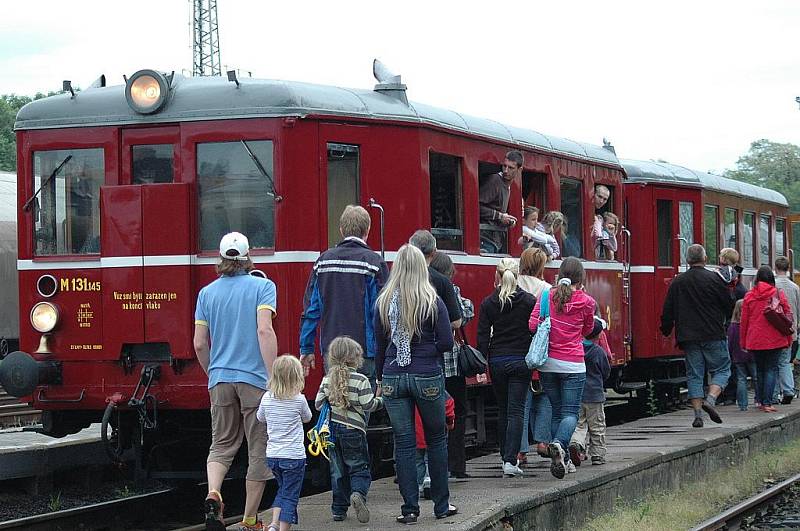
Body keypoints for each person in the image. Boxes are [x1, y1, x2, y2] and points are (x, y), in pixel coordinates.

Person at [194, 232, 278, 531]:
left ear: (221, 258)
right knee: (258, 449)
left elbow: (200, 344)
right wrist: (273, 377)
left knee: (221, 445)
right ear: (247, 257)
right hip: (254, 380)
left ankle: (213, 492)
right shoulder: (263, 287)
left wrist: (212, 373)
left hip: (220, 378)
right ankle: (250, 519)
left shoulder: (206, 294)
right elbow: (264, 331)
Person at [373, 244, 457, 524]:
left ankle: (409, 509)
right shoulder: (432, 300)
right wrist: (426, 353)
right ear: (423, 268)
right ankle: (442, 506)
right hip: (427, 377)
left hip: (393, 377)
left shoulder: (384, 302)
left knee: (405, 443)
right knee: (436, 439)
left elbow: (381, 345)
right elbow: (446, 341)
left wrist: (380, 377)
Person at [300, 205, 389, 384]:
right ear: (368, 229)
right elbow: (381, 312)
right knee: (362, 407)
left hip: (332, 350)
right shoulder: (374, 262)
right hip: (365, 351)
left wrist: (306, 347)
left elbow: (312, 309)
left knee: (336, 403)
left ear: (341, 230)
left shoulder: (323, 262)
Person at [529, 257, 595, 479]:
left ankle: (564, 460)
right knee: (570, 414)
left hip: (548, 364)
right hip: (573, 364)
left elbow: (532, 325)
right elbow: (587, 330)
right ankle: (558, 443)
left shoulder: (546, 295)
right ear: (581, 278)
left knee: (557, 411)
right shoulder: (586, 301)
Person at [661, 244, 734, 428]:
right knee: (722, 369)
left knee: (694, 375)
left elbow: (668, 309)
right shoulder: (715, 279)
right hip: (713, 333)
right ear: (705, 259)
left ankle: (698, 415)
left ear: (687, 260)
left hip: (688, 337)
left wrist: (666, 329)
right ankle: (711, 399)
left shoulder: (678, 282)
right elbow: (729, 304)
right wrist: (725, 321)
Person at [477, 258, 536, 477]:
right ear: (517, 275)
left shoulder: (489, 302)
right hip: (521, 361)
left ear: (498, 276)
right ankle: (511, 461)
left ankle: (505, 457)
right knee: (516, 411)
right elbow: (535, 329)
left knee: (503, 410)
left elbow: (483, 337)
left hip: (498, 362)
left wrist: (482, 366)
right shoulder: (529, 301)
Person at [314, 336, 383, 523]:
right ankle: (358, 494)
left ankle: (338, 510)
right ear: (356, 358)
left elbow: (319, 404)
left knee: (337, 471)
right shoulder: (361, 380)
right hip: (354, 431)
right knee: (359, 466)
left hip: (332, 432)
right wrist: (381, 400)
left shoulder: (327, 379)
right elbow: (368, 405)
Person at [428, 251, 474, 479]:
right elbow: (467, 312)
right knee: (458, 413)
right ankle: (457, 466)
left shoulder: (422, 290)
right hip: (453, 365)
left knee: (430, 415)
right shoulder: (451, 290)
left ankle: (428, 466)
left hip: (430, 365)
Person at [257, 355, 313, 531]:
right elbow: (308, 418)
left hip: (273, 456)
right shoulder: (299, 399)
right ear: (297, 376)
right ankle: (283, 529)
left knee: (282, 490)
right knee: (290, 495)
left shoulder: (267, 397)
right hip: (294, 456)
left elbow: (260, 418)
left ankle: (274, 525)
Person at [740, 266, 794, 413]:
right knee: (771, 369)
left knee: (760, 370)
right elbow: (787, 316)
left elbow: (744, 321)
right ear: (771, 278)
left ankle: (760, 401)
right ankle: (767, 402)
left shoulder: (749, 296)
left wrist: (743, 341)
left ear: (757, 279)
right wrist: (789, 337)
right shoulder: (777, 294)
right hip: (775, 338)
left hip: (755, 339)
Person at [517, 247, 553, 462]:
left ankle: (520, 450)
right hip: (540, 351)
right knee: (546, 395)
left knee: (520, 401)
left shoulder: (510, 286)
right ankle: (543, 441)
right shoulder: (547, 290)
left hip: (516, 351)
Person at [568, 318, 611, 466]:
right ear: (598, 335)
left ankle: (576, 443)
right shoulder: (599, 352)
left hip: (577, 394)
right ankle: (597, 455)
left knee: (579, 424)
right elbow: (606, 371)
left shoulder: (576, 348)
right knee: (597, 426)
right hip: (595, 396)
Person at [414, 392, 455, 499]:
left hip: (415, 434)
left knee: (418, 461)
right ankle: (429, 479)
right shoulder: (437, 389)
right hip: (433, 432)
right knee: (430, 459)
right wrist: (450, 421)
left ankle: (418, 485)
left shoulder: (410, 393)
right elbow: (449, 403)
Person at [479, 151, 522, 253]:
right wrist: (500, 216)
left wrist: (507, 221)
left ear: (519, 170)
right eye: (504, 166)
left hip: (494, 241)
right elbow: (475, 207)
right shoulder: (495, 180)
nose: (506, 171)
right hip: (485, 241)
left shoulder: (507, 186)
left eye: (511, 168)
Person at [774, 256, 800, 404]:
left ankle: (776, 393)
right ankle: (789, 390)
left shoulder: (773, 286)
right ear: (788, 268)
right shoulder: (795, 287)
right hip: (791, 330)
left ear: (776, 268)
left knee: (774, 363)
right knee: (785, 362)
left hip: (775, 330)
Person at [728, 300, 759, 410]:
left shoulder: (733, 326)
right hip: (752, 354)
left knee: (741, 379)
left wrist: (731, 355)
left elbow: (730, 342)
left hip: (737, 356)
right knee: (756, 378)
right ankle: (758, 400)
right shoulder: (752, 322)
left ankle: (742, 405)